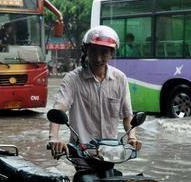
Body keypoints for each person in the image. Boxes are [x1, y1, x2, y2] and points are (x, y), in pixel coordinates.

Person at [48, 25, 142, 159]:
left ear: (112, 53)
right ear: (86, 51)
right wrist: (54, 138)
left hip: (111, 152)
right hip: (81, 153)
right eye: (93, 52)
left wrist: (132, 137)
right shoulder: (72, 79)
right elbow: (59, 110)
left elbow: (127, 115)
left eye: (104, 53)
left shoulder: (120, 79)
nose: (98, 58)